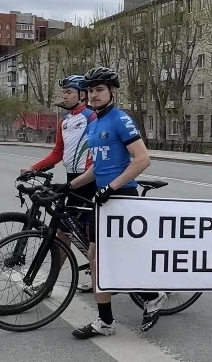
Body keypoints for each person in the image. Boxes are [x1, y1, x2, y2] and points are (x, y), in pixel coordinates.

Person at [58, 67, 166, 338]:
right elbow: (97, 169)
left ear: (111, 91)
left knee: (112, 259)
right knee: (95, 259)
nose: (94, 95)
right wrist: (69, 186)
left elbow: (143, 159)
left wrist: (112, 187)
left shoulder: (120, 119)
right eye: (90, 90)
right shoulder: (94, 124)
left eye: (99, 90)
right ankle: (106, 321)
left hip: (122, 197)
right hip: (104, 198)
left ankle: (152, 296)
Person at [21, 75, 97, 290]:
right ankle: (55, 282)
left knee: (78, 231)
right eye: (64, 92)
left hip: (90, 179)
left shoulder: (92, 117)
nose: (65, 96)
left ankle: (98, 275)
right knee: (65, 232)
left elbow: (98, 151)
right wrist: (34, 168)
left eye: (69, 92)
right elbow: (57, 153)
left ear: (82, 95)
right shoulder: (64, 122)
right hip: (73, 179)